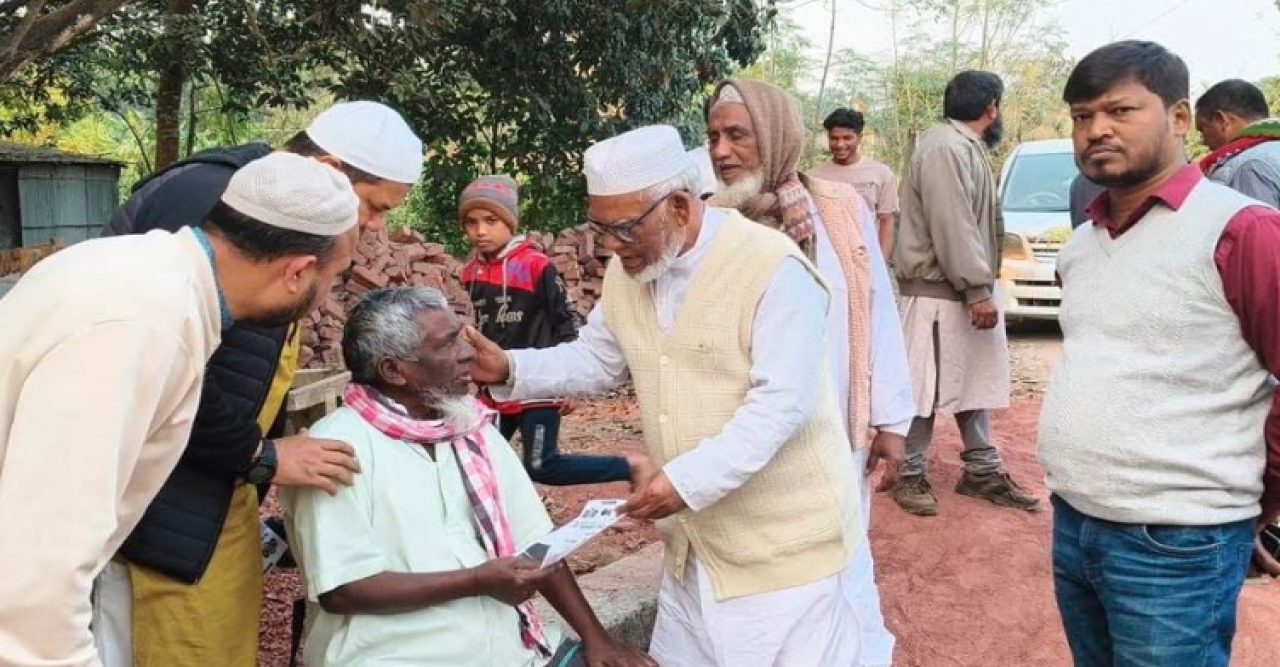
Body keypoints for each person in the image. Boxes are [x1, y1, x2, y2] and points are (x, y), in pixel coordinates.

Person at [468, 124, 862, 667]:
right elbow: (597, 359)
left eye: (623, 228)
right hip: (694, 549)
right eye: (599, 228)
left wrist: (684, 481)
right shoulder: (628, 272)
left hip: (781, 556)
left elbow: (780, 407)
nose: (609, 245)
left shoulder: (773, 268)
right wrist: (509, 366)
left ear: (678, 207)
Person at [97, 101, 424, 667]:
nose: (375, 226)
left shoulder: (266, 202)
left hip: (210, 483)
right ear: (328, 167)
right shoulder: (210, 195)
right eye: (373, 206)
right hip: (161, 503)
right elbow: (162, 371)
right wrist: (261, 454)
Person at [0, 153, 360, 667]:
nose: (326, 298)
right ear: (298, 271)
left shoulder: (142, 271)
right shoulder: (142, 328)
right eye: (333, 278)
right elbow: (38, 576)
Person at [1041, 40, 1280, 667]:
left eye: (1120, 111)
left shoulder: (1241, 230)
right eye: (1082, 115)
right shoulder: (1084, 246)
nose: (1096, 130)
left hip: (1178, 541)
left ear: (1179, 119)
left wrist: (1254, 501)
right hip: (1076, 523)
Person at [282, 286, 654, 667]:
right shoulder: (333, 447)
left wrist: (597, 639)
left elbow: (538, 546)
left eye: (461, 336)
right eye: (447, 344)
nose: (468, 353)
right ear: (395, 370)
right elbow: (342, 590)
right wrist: (476, 581)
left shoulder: (470, 428)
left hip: (511, 651)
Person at [704, 78, 913, 667]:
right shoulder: (704, 220)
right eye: (714, 135)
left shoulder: (838, 210)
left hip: (834, 424)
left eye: (737, 134)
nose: (722, 150)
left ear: (776, 135)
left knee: (840, 560)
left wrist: (892, 420)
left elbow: (874, 306)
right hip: (743, 434)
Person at [891, 70, 1040, 517]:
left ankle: (982, 470)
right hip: (942, 291)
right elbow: (952, 223)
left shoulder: (957, 145)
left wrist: (976, 287)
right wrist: (976, 289)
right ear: (991, 107)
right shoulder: (946, 148)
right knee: (924, 385)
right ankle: (909, 472)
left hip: (955, 288)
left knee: (968, 382)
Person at [459, 175, 630, 486]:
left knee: (540, 465)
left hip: (540, 388)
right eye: (471, 222)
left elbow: (567, 321)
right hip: (497, 389)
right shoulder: (470, 273)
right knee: (478, 461)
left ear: (509, 222)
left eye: (490, 220)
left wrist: (570, 387)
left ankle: (628, 467)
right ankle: (506, 524)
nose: (480, 231)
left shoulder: (536, 266)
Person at [809, 107, 901, 259]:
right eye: (834, 138)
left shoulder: (881, 174)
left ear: (860, 138)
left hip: (866, 257)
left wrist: (880, 263)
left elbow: (886, 221)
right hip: (828, 261)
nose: (840, 144)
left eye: (847, 138)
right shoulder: (813, 177)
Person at [1195, 78, 1280, 208]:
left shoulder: (1249, 167)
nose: (1203, 141)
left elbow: (1257, 227)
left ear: (1221, 120)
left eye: (1203, 129)